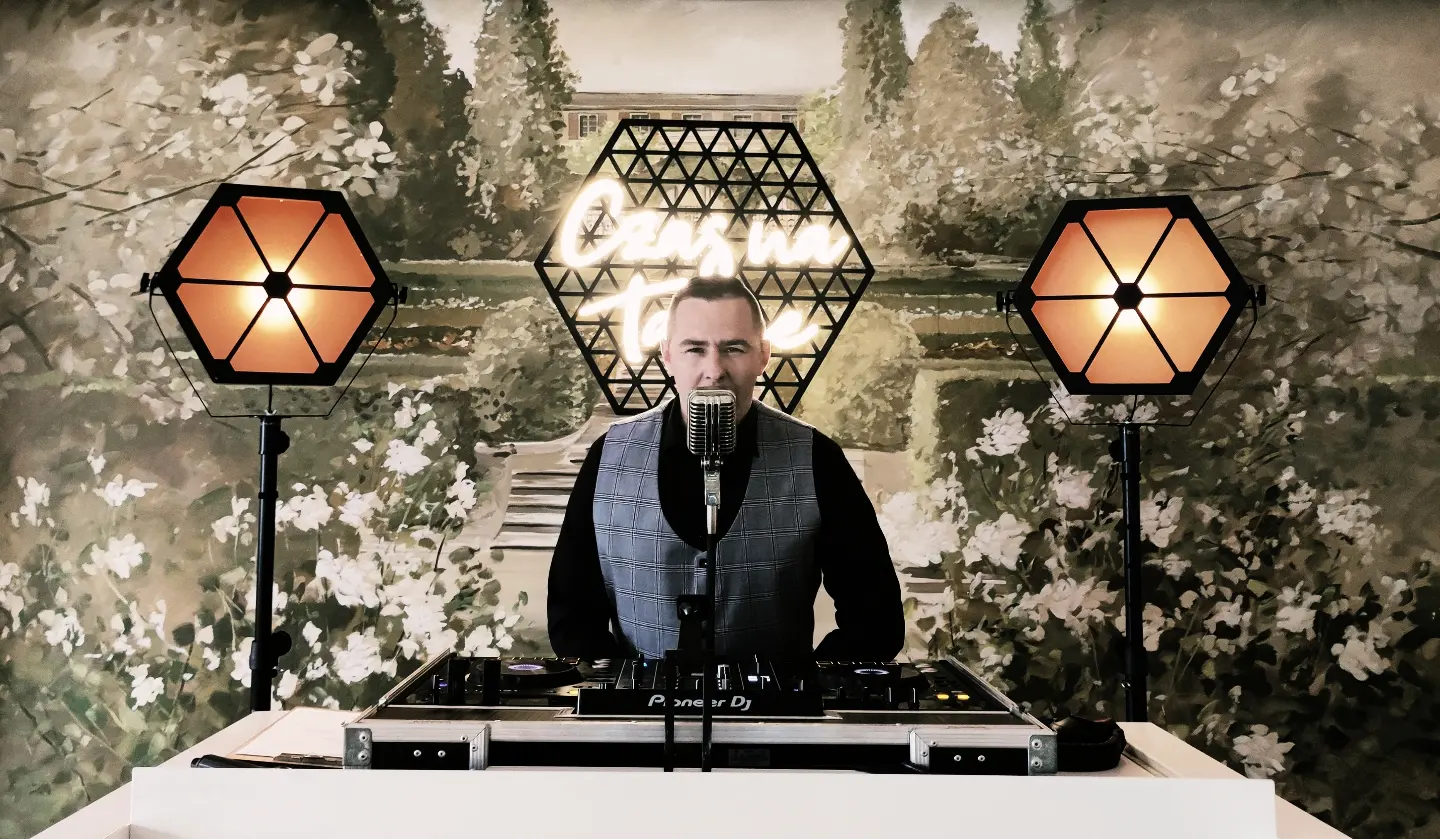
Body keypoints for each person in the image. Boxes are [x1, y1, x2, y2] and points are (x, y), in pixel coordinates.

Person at [546, 276, 904, 662]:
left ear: (763, 355)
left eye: (733, 348)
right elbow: (572, 614)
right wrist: (623, 686)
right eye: (695, 349)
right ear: (667, 355)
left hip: (776, 701)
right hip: (641, 699)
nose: (714, 369)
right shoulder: (609, 455)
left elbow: (876, 620)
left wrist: (805, 684)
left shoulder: (817, 458)